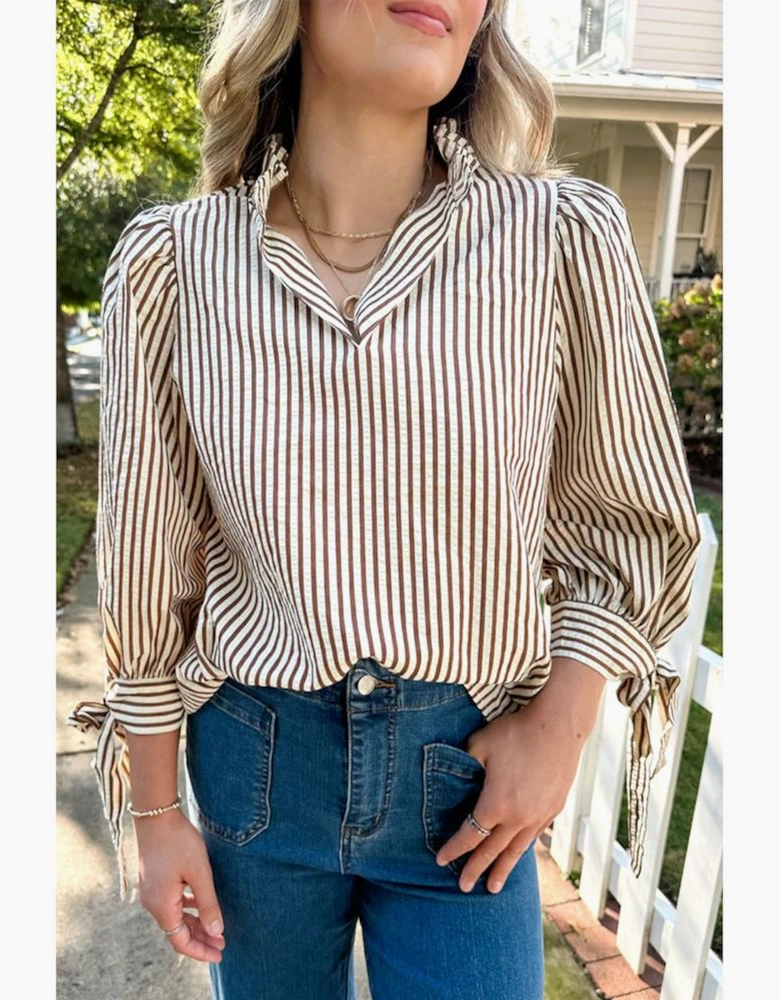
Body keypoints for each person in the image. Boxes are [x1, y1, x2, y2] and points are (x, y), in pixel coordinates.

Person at [67, 1, 703, 998]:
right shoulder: (173, 266)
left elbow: (630, 519)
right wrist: (155, 815)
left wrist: (561, 724)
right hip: (256, 768)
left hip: (468, 784)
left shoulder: (557, 243)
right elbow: (151, 561)